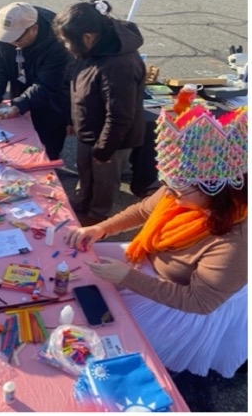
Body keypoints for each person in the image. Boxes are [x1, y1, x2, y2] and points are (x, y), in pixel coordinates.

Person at [65, 104, 248, 378]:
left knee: (109, 344)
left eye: (178, 190)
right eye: (169, 186)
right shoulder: (182, 191)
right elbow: (142, 210)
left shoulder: (235, 242)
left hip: (181, 298)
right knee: (77, 266)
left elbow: (200, 302)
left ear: (216, 191)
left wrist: (128, 278)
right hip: (150, 262)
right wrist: (100, 229)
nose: (170, 195)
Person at [53, 0, 146, 222]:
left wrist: (103, 151)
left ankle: (97, 218)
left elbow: (119, 116)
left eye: (68, 41)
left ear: (87, 37)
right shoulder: (91, 51)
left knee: (104, 180)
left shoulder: (117, 64)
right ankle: (83, 201)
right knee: (86, 171)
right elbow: (76, 88)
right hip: (91, 131)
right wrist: (72, 119)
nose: (67, 47)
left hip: (113, 139)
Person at [0, 2, 72, 160]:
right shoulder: (5, 37)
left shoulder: (58, 43)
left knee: (48, 145)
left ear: (34, 29)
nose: (11, 42)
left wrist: (19, 104)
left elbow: (47, 85)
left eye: (17, 38)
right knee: (18, 143)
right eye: (7, 36)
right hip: (21, 88)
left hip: (53, 99)